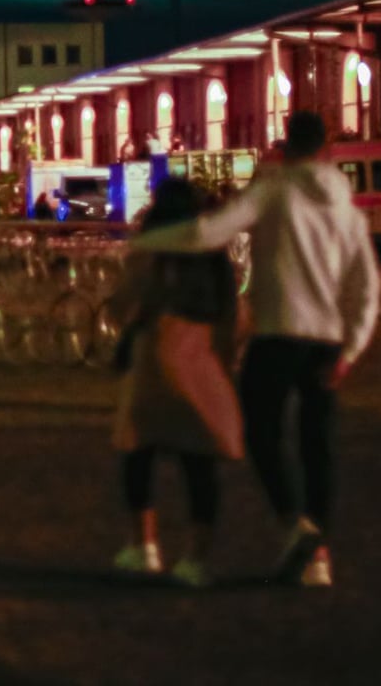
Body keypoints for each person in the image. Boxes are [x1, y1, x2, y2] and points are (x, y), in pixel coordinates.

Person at [132, 111, 378, 588]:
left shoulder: (274, 189)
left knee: (261, 433)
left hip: (279, 333)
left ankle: (294, 523)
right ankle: (319, 558)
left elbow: (209, 232)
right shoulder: (347, 209)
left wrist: (147, 241)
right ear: (327, 149)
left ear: (286, 146)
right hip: (327, 340)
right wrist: (351, 347)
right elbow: (365, 287)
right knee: (318, 447)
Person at [107, 178, 243, 588]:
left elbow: (123, 305)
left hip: (156, 352)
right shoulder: (214, 255)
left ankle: (144, 546)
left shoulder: (150, 250)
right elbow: (233, 315)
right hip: (201, 357)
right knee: (199, 461)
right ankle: (196, 559)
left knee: (138, 450)